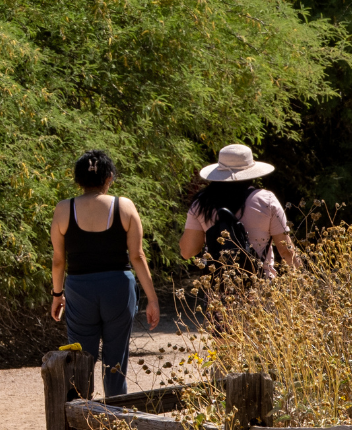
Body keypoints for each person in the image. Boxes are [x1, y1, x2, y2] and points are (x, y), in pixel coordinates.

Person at [47, 149, 161, 400]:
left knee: (79, 359)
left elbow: (58, 260)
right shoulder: (124, 206)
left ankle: (79, 427)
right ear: (109, 177)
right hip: (118, 287)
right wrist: (152, 299)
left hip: (79, 289)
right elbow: (138, 256)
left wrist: (57, 294)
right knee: (115, 361)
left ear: (78, 180)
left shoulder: (64, 209)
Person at [179, 143, 300, 277]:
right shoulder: (266, 200)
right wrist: (304, 281)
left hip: (218, 290)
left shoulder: (202, 204)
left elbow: (187, 251)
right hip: (261, 289)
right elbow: (285, 251)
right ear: (251, 171)